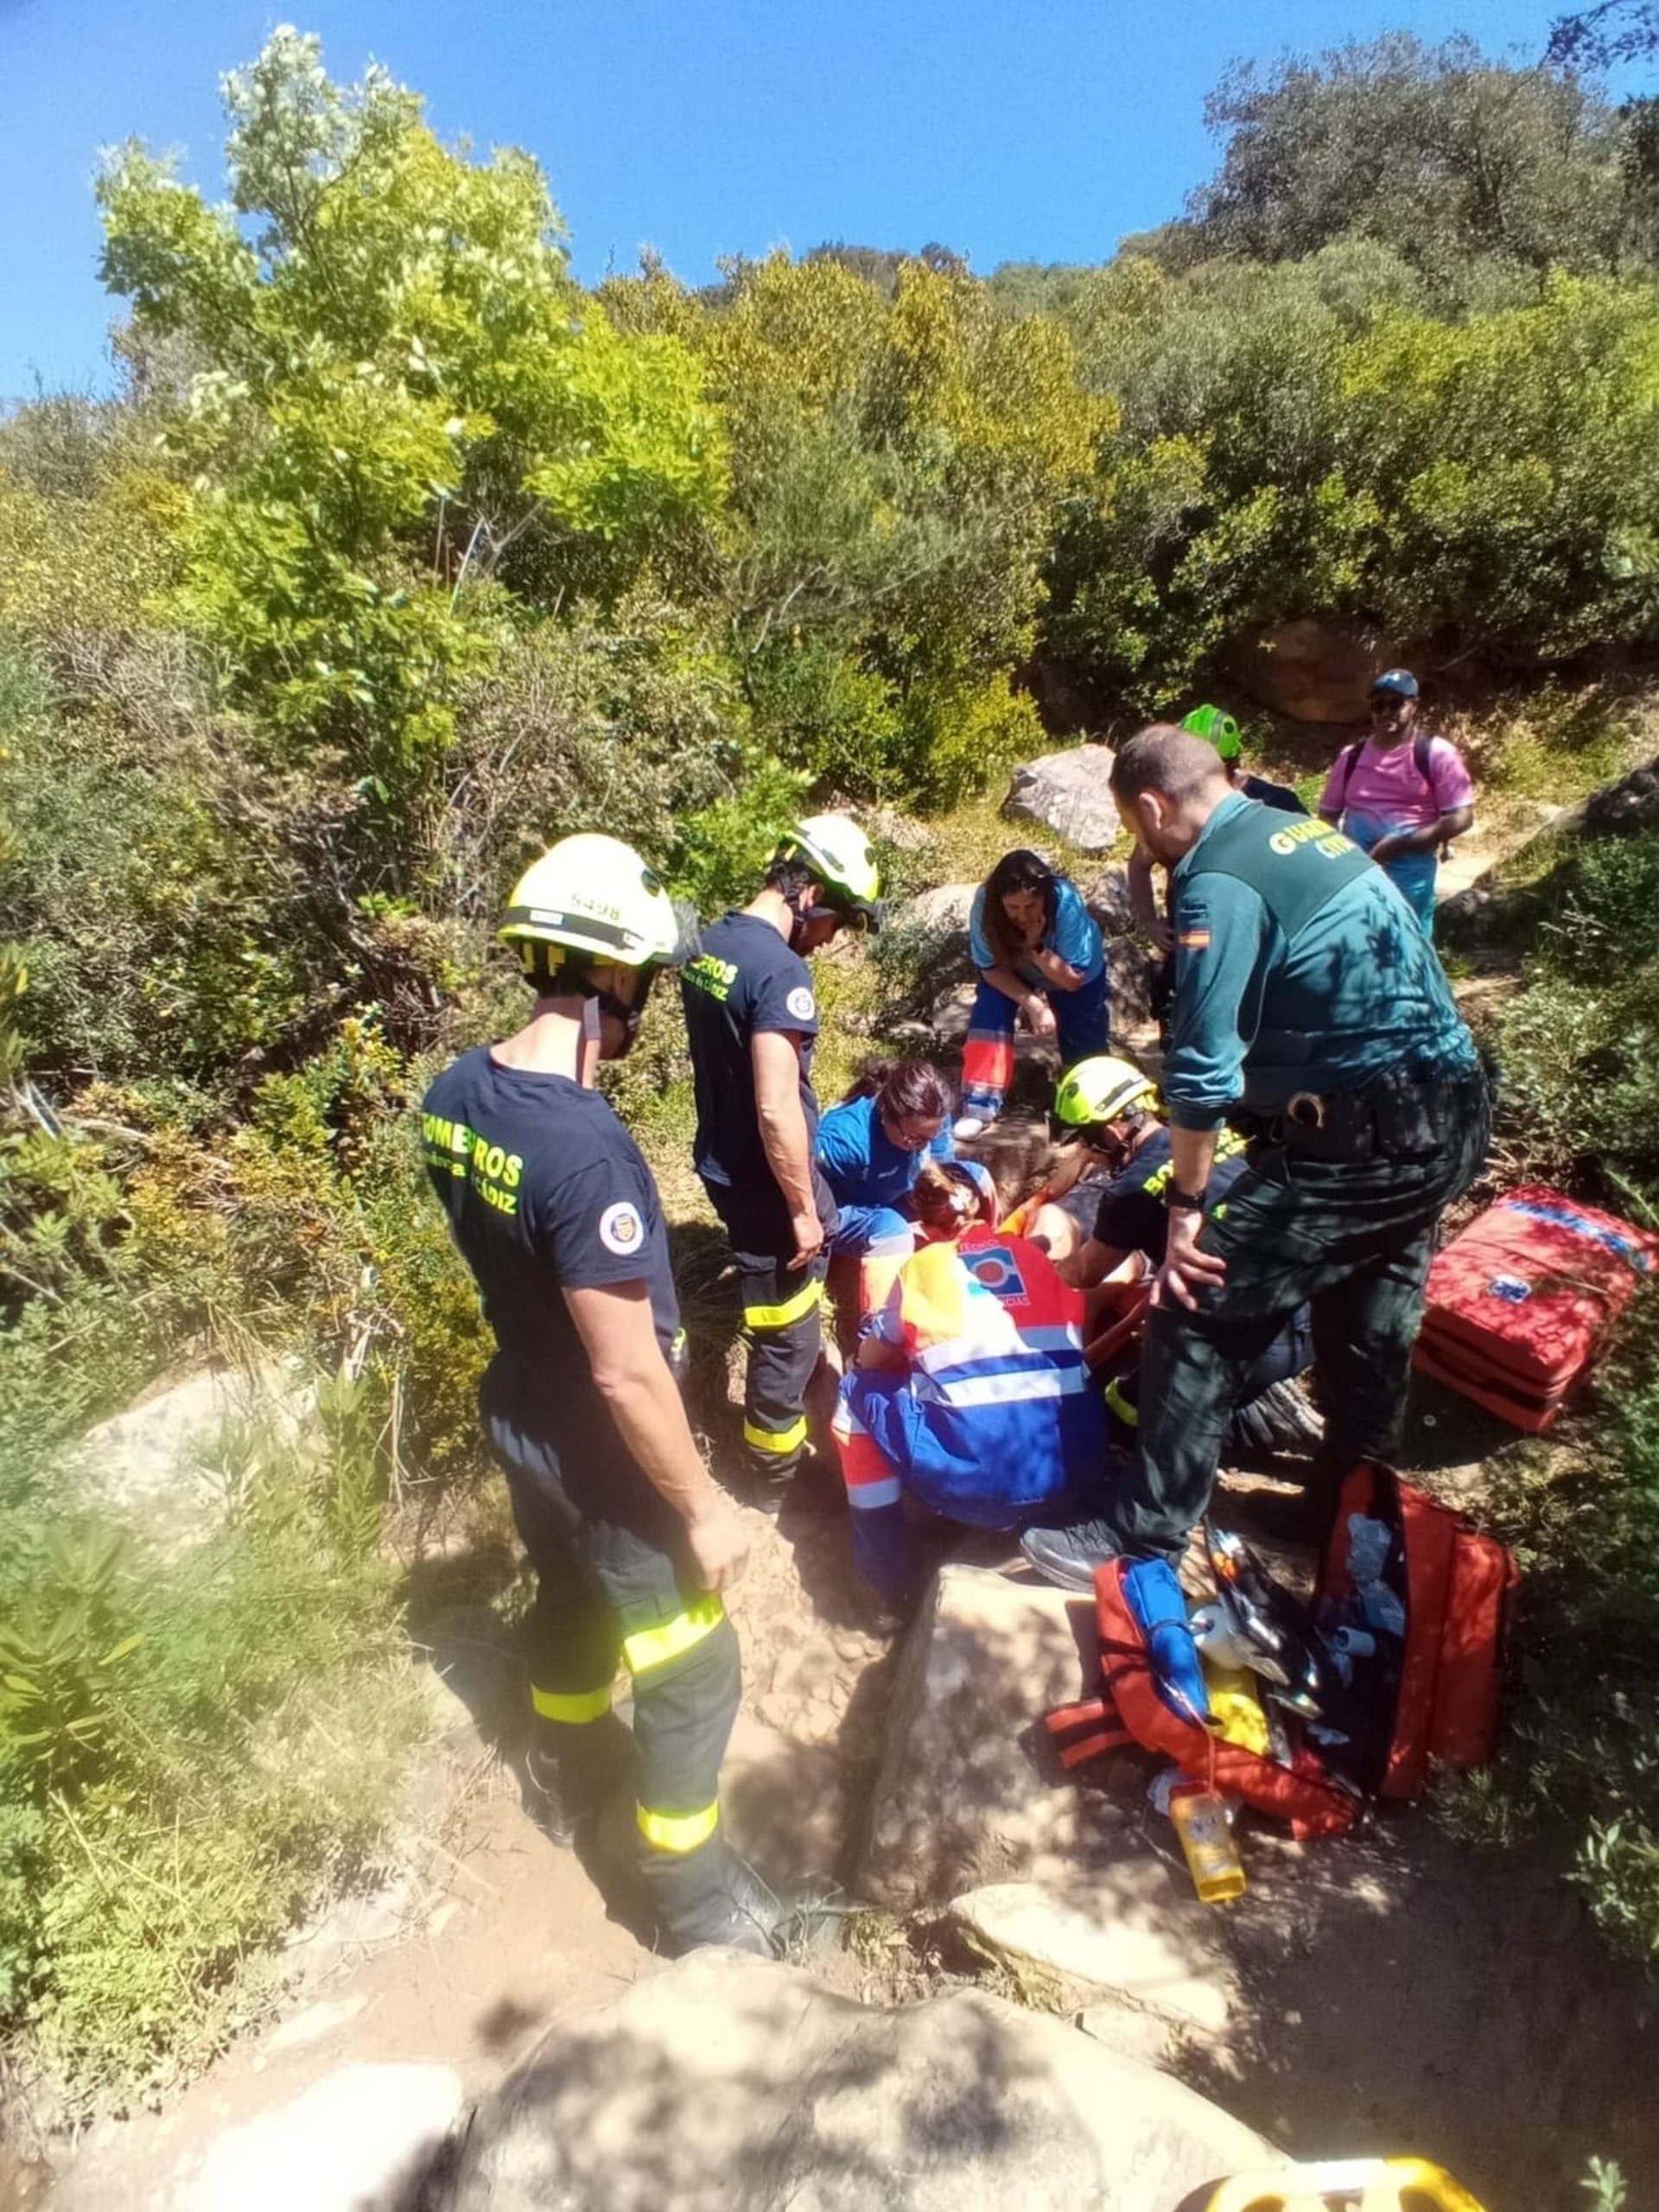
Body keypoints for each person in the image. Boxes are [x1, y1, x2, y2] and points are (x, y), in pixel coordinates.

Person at [1018, 726, 1490, 1588]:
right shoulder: (1297, 832)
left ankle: (1141, 1537)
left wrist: (1186, 1211)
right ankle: (1344, 1515)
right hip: (1444, 1119)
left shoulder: (1218, 875)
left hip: (1361, 1139)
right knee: (1367, 1326)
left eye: (1137, 829)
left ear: (1152, 807)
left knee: (1194, 1303)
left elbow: (1202, 1067)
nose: (1143, 849)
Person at [421, 834, 774, 1956]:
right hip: (603, 1447)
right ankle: (696, 1902)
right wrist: (704, 1507)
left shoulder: (454, 1096)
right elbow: (625, 1367)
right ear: (611, 973)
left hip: (520, 1409)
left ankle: (569, 1771)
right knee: (694, 1668)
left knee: (569, 1598)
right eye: (645, 978)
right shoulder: (585, 1154)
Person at [681, 813, 882, 1509]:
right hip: (768, 1182)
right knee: (786, 1334)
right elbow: (775, 1106)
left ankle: (813, 1392)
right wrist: (801, 1209)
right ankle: (773, 1479)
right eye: (836, 921)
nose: (830, 940)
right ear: (811, 895)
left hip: (725, 1160)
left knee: (788, 1312)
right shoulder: (778, 969)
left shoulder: (714, 942)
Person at [832, 1227, 1110, 1615]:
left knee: (853, 1390)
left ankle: (886, 1581)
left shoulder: (923, 1266)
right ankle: (1040, 1517)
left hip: (972, 1487)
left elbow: (873, 1358)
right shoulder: (1036, 1260)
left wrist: (859, 1362)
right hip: (1076, 1473)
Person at [816, 1060, 995, 1314]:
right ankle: (876, 1327)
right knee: (893, 1230)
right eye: (914, 1138)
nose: (923, 1146)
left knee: (978, 1177)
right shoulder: (846, 1141)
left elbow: (941, 1168)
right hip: (848, 1209)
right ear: (886, 1116)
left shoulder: (932, 1115)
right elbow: (800, 1183)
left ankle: (989, 1253)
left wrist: (953, 1192)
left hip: (896, 1191)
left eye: (930, 1138)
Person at [1129, 704, 1306, 961]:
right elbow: (1139, 864)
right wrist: (1149, 922)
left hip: (1257, 943)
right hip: (1191, 935)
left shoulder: (1279, 805)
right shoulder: (1170, 809)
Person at [956, 849, 1109, 1140]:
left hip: (1069, 970)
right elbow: (989, 969)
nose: (1023, 915)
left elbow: (1072, 980)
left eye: (1031, 905)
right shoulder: (984, 904)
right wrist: (1034, 1005)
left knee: (1085, 1041)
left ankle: (1093, 1110)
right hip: (1013, 968)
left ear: (1045, 897)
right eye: (1013, 907)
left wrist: (1036, 947)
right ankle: (978, 1106)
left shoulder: (1066, 901)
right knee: (989, 1012)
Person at [1318, 669, 1474, 938]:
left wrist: (1400, 844)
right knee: (1356, 939)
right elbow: (1328, 815)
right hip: (1356, 869)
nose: (1386, 712)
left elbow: (1462, 816)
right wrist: (1340, 856)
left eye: (1395, 703)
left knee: (1409, 940)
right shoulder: (1351, 757)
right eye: (1378, 705)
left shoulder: (1437, 754)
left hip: (1411, 871)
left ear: (1414, 705)